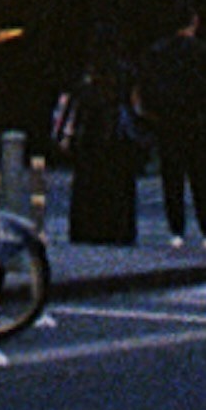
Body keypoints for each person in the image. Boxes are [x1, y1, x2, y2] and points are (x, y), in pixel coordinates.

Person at [142, 7, 206, 244]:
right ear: (195, 22)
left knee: (172, 179)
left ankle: (176, 230)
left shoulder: (158, 51)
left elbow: (148, 85)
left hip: (168, 122)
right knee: (203, 180)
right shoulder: (204, 51)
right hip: (198, 122)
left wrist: (154, 113)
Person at [54, 33, 144, 250]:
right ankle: (118, 230)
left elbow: (70, 103)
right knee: (119, 187)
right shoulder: (126, 72)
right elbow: (136, 105)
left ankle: (87, 229)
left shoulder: (85, 73)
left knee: (88, 185)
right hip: (117, 136)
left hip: (89, 132)